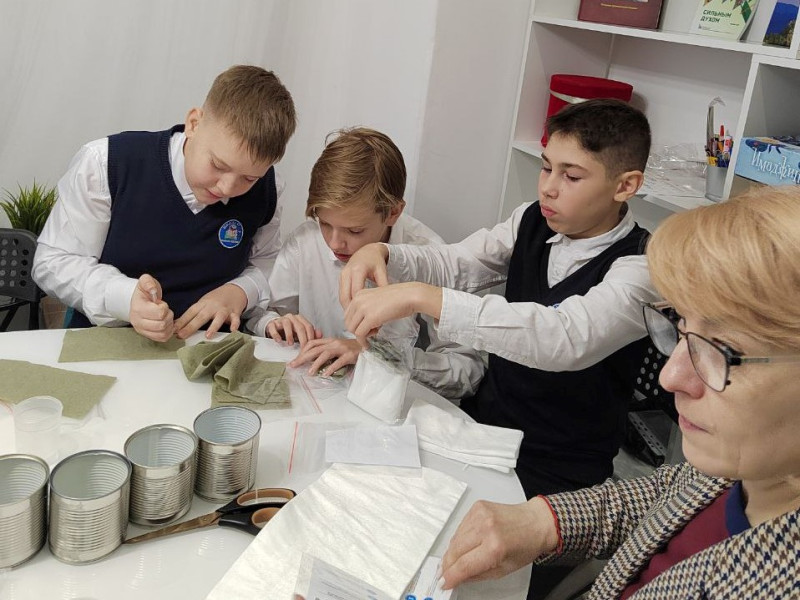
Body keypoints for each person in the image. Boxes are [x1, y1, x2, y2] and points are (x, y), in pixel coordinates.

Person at [439, 185, 800, 599]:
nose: (670, 377)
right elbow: (677, 490)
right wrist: (546, 521)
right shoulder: (752, 471)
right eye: (682, 331)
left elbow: (563, 336)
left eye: (723, 351)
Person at [340, 98, 659, 498]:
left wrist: (421, 296)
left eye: (572, 176)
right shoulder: (532, 219)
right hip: (483, 430)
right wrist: (384, 253)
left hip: (560, 469)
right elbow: (459, 262)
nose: (548, 187)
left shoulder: (642, 267)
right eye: (546, 167)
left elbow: (561, 337)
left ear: (625, 185)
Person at [33, 65, 297, 342]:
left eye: (249, 178)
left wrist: (242, 290)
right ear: (194, 123)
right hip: (105, 342)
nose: (227, 188)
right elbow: (53, 262)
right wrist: (123, 297)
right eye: (218, 165)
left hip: (210, 349)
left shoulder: (270, 188)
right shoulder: (105, 163)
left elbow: (267, 262)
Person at [247, 127, 484, 400]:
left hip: (389, 407)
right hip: (313, 396)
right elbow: (261, 314)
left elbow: (468, 371)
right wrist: (274, 324)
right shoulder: (304, 242)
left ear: (393, 212)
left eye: (354, 230)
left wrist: (381, 357)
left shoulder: (432, 257)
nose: (335, 243)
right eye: (324, 223)